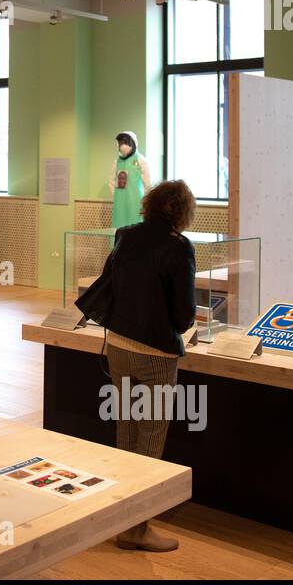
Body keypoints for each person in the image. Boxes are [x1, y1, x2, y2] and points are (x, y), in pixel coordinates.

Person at [91, 178, 197, 553]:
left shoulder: (126, 234)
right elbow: (183, 316)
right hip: (156, 355)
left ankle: (121, 517)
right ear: (182, 212)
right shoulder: (179, 247)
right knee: (150, 440)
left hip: (117, 346)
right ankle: (136, 529)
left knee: (126, 434)